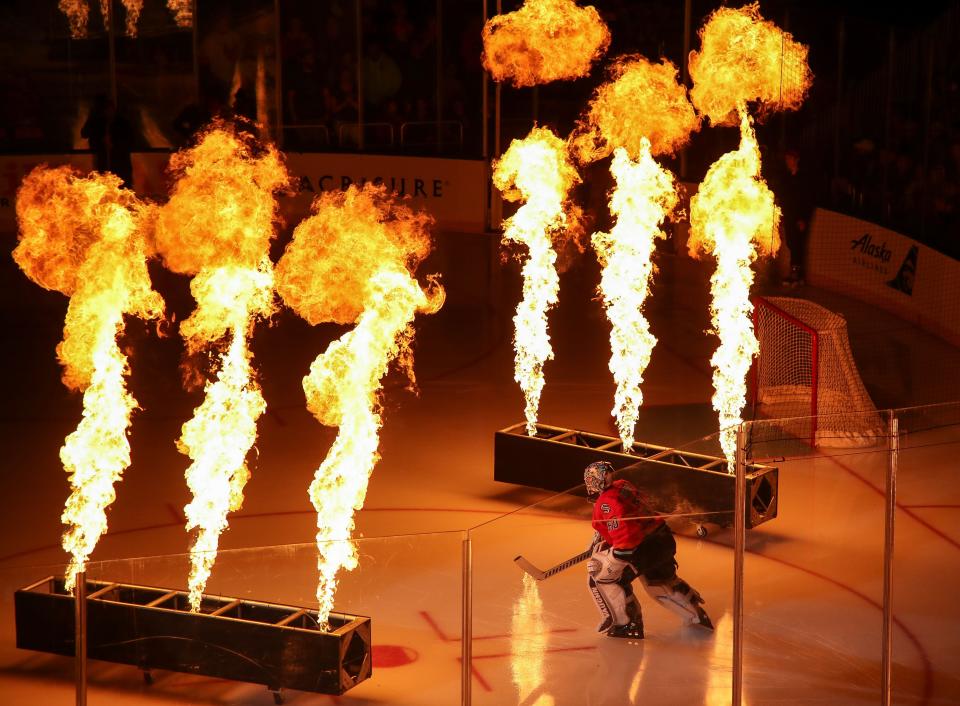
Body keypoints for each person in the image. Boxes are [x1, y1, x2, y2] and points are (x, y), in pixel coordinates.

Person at [584, 461, 713, 639]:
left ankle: (628, 623)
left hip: (644, 548)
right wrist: (606, 538)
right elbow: (628, 517)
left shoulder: (606, 503)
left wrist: (614, 558)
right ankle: (696, 614)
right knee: (659, 584)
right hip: (662, 538)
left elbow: (625, 538)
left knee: (603, 576)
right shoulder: (623, 485)